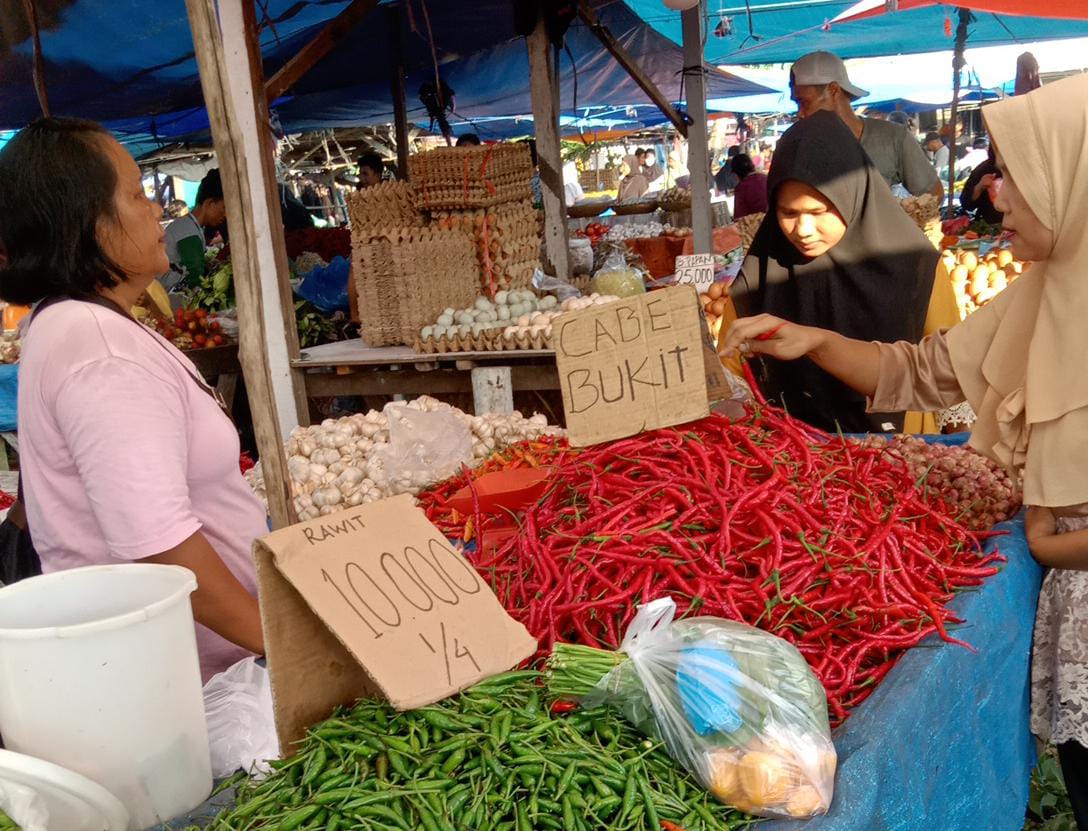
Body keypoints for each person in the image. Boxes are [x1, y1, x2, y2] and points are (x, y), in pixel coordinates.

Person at [722, 74, 1088, 829]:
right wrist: (813, 340)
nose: (994, 193)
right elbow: (918, 371)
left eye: (1014, 173)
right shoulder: (1043, 292)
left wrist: (1055, 539)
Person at [0, 118, 266, 682]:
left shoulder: (75, 324)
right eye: (138, 193)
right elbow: (160, 547)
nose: (154, 211)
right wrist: (285, 642)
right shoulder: (100, 352)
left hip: (180, 666)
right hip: (190, 681)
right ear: (86, 222)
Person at [728, 110, 937, 434]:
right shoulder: (756, 279)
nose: (803, 229)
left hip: (901, 450)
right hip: (789, 456)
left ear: (854, 195)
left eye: (819, 211)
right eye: (788, 212)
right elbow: (730, 367)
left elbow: (951, 365)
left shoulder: (917, 267)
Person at [790, 51, 942, 199]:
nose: (800, 113)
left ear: (833, 90)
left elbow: (933, 194)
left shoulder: (892, 138)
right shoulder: (797, 146)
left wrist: (902, 220)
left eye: (804, 102)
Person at [162, 168, 226, 290]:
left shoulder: (189, 225)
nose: (225, 215)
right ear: (209, 203)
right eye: (223, 208)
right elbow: (195, 278)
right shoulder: (188, 231)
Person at [960, 146, 1003, 225]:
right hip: (990, 226)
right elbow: (966, 203)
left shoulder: (1022, 169)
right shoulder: (983, 169)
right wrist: (979, 187)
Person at [729, 153, 768, 221]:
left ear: (737, 173)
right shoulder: (766, 178)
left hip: (759, 227)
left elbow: (739, 218)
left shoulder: (741, 188)